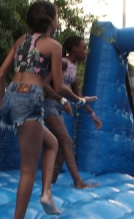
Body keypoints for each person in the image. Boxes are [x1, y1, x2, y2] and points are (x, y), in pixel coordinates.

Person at [0, 0, 95, 219]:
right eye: (57, 17)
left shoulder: (21, 40)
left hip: (11, 95)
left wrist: (3, 105)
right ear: (50, 20)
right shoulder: (53, 46)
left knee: (52, 144)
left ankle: (47, 192)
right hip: (29, 96)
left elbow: (0, 76)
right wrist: (79, 100)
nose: (58, 21)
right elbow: (59, 87)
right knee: (28, 169)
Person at [42, 35, 102, 188]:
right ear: (74, 48)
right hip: (49, 105)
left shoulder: (73, 69)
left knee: (62, 146)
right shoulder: (62, 63)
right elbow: (44, 84)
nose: (86, 51)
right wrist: (62, 100)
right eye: (84, 48)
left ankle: (51, 182)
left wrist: (92, 115)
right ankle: (78, 182)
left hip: (58, 108)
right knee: (67, 141)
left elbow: (78, 96)